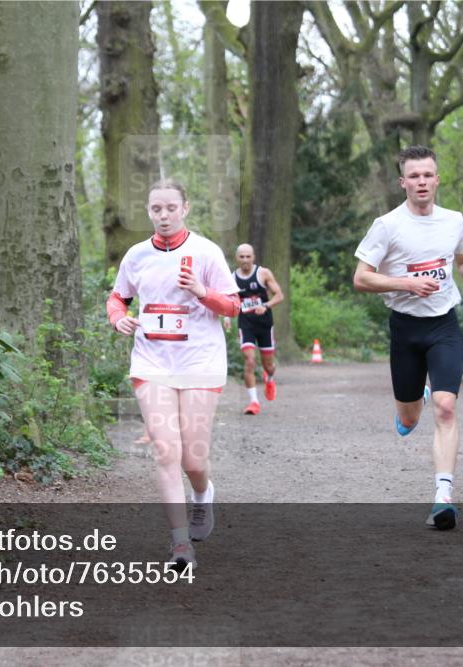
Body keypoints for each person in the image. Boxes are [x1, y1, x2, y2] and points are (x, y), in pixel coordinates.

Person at [353, 146, 463, 530]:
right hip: (405, 328)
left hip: (444, 325)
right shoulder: (387, 226)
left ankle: (443, 496)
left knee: (446, 408)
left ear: (437, 179)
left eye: (427, 175)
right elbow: (361, 277)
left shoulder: (453, 221)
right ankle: (415, 401)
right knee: (409, 417)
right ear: (403, 182)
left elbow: (462, 261)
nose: (421, 182)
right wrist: (406, 283)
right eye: (413, 176)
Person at [107, 179, 240, 569]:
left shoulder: (206, 252)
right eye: (155, 209)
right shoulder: (136, 255)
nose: (163, 216)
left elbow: (233, 307)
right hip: (152, 363)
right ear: (148, 212)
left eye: (170, 208)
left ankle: (202, 495)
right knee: (167, 451)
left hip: (199, 362)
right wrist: (118, 318)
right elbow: (119, 296)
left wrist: (201, 291)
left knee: (193, 459)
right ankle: (181, 545)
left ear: (185, 208)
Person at [222, 244, 284, 415]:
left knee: (269, 366)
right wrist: (226, 317)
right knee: (249, 360)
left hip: (264, 324)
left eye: (248, 256)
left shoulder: (263, 273)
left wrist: (266, 305)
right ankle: (253, 402)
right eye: (241, 257)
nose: (245, 260)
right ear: (237, 258)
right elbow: (228, 299)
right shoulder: (232, 278)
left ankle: (269, 378)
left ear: (253, 257)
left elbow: (279, 295)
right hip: (246, 324)